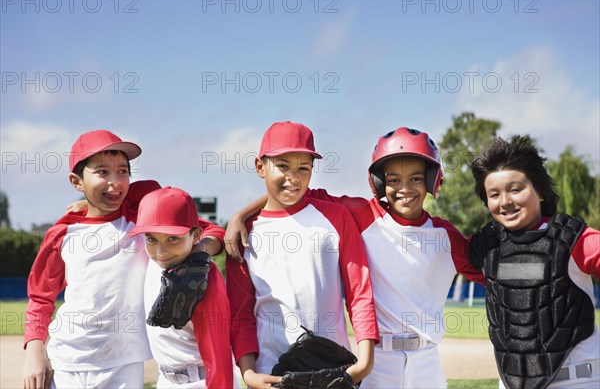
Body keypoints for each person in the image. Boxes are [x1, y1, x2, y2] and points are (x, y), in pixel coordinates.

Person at [227, 126, 485, 388]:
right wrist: (241, 215)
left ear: (433, 179)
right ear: (380, 182)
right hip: (377, 358)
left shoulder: (446, 236)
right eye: (394, 179)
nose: (404, 188)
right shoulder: (362, 214)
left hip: (426, 360)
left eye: (416, 179)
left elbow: (492, 273)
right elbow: (294, 195)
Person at [226, 121, 379, 388]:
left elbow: (360, 292)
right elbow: (241, 313)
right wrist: (249, 373)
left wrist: (363, 364)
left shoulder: (336, 216)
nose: (293, 178)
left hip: (335, 370)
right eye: (282, 166)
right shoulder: (241, 234)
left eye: (303, 168)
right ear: (260, 167)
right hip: (270, 372)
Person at [23, 130, 161, 389]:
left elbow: (155, 191)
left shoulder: (141, 219)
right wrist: (34, 352)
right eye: (102, 172)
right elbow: (41, 297)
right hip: (67, 364)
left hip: (124, 364)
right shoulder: (62, 232)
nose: (115, 181)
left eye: (123, 171)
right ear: (76, 181)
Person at [468, 136, 600, 389]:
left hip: (579, 380)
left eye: (516, 189)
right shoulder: (485, 248)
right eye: (494, 194)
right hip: (511, 382)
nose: (505, 201)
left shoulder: (575, 240)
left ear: (540, 191)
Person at [128, 186, 233, 389]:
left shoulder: (201, 279)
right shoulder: (156, 261)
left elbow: (219, 357)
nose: (161, 251)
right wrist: (89, 204)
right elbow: (126, 193)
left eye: (173, 238)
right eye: (151, 239)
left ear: (195, 236)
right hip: (165, 380)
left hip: (202, 381)